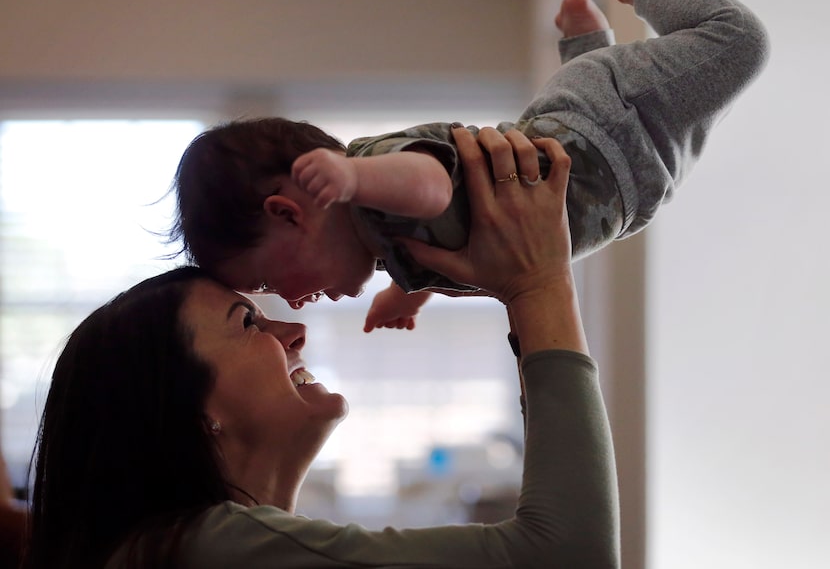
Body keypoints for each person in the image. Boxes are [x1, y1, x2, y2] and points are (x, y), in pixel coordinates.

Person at [24, 128, 619, 568]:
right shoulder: (208, 550)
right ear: (193, 411)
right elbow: (567, 556)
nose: (295, 331)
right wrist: (539, 284)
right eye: (249, 322)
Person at [169, 0, 768, 334]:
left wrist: (352, 175)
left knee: (739, 42)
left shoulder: (378, 179)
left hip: (609, 122)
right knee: (629, 149)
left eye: (270, 280)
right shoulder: (385, 246)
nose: (289, 300)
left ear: (290, 212)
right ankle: (585, 43)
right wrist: (406, 294)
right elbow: (455, 240)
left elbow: (433, 186)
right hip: (630, 175)